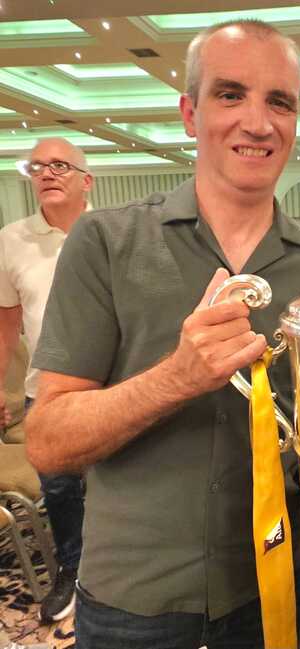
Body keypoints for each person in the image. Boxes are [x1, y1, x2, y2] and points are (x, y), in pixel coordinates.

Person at [25, 19, 300, 649]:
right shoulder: (106, 243)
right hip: (133, 604)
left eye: (279, 102)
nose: (258, 122)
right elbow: (48, 442)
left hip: (272, 590)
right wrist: (176, 377)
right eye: (231, 95)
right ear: (190, 114)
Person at [0, 137, 92, 624]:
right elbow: (6, 325)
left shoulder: (111, 232)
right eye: (37, 167)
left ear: (86, 180)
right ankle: (72, 571)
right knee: (59, 491)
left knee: (123, 482)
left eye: (60, 165)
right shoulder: (12, 239)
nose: (47, 173)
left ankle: (125, 570)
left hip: (111, 386)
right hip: (46, 391)